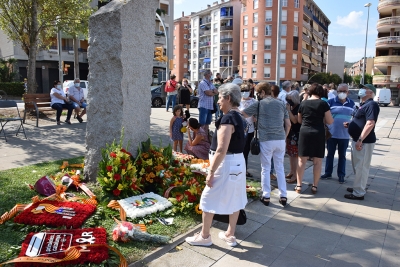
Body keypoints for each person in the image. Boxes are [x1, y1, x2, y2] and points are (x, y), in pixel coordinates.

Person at [185, 83, 246, 247]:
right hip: (237, 162)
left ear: (228, 98)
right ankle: (230, 234)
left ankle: (205, 236)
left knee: (207, 198)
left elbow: (221, 148)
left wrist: (211, 172)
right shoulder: (239, 117)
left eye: (220, 97)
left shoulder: (227, 119)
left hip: (226, 164)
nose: (218, 101)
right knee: (235, 198)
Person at [242, 82, 291, 206]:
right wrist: (283, 137)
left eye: (258, 93)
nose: (258, 95)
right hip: (280, 139)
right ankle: (283, 195)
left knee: (265, 168)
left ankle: (266, 196)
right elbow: (288, 124)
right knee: (280, 168)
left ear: (263, 92)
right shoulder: (281, 104)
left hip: (266, 139)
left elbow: (243, 114)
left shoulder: (259, 104)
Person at [295, 84, 334, 194]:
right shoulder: (323, 104)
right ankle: (315, 186)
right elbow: (330, 121)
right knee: (317, 161)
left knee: (301, 160)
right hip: (318, 133)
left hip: (304, 132)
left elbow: (299, 120)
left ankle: (298, 185)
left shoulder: (303, 103)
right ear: (321, 92)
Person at [345, 84, 380, 200]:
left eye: (364, 89)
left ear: (370, 92)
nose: (361, 90)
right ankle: (358, 186)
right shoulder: (363, 105)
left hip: (364, 141)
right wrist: (350, 125)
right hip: (358, 140)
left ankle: (359, 192)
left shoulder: (372, 105)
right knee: (357, 166)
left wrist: (360, 139)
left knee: (361, 166)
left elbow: (370, 123)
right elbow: (361, 120)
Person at [321, 84, 355, 184]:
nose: (342, 93)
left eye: (344, 91)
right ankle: (328, 173)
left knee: (342, 156)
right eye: (340, 91)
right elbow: (324, 117)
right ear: (337, 91)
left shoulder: (352, 104)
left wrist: (351, 125)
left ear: (348, 92)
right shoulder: (330, 102)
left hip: (344, 135)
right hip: (331, 134)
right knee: (330, 155)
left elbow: (355, 118)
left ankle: (341, 175)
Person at [238, 83, 256, 177]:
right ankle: (240, 169)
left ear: (250, 91)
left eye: (246, 91)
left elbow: (257, 112)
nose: (244, 93)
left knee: (246, 150)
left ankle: (244, 169)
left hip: (250, 129)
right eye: (242, 91)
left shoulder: (253, 101)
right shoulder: (237, 101)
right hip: (239, 129)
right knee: (240, 150)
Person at [285, 91, 301, 184]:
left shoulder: (298, 107)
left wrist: (288, 110)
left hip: (296, 134)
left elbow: (295, 120)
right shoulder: (292, 106)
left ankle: (295, 175)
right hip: (290, 133)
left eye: (290, 98)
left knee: (295, 155)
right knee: (291, 154)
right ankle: (292, 171)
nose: (288, 100)